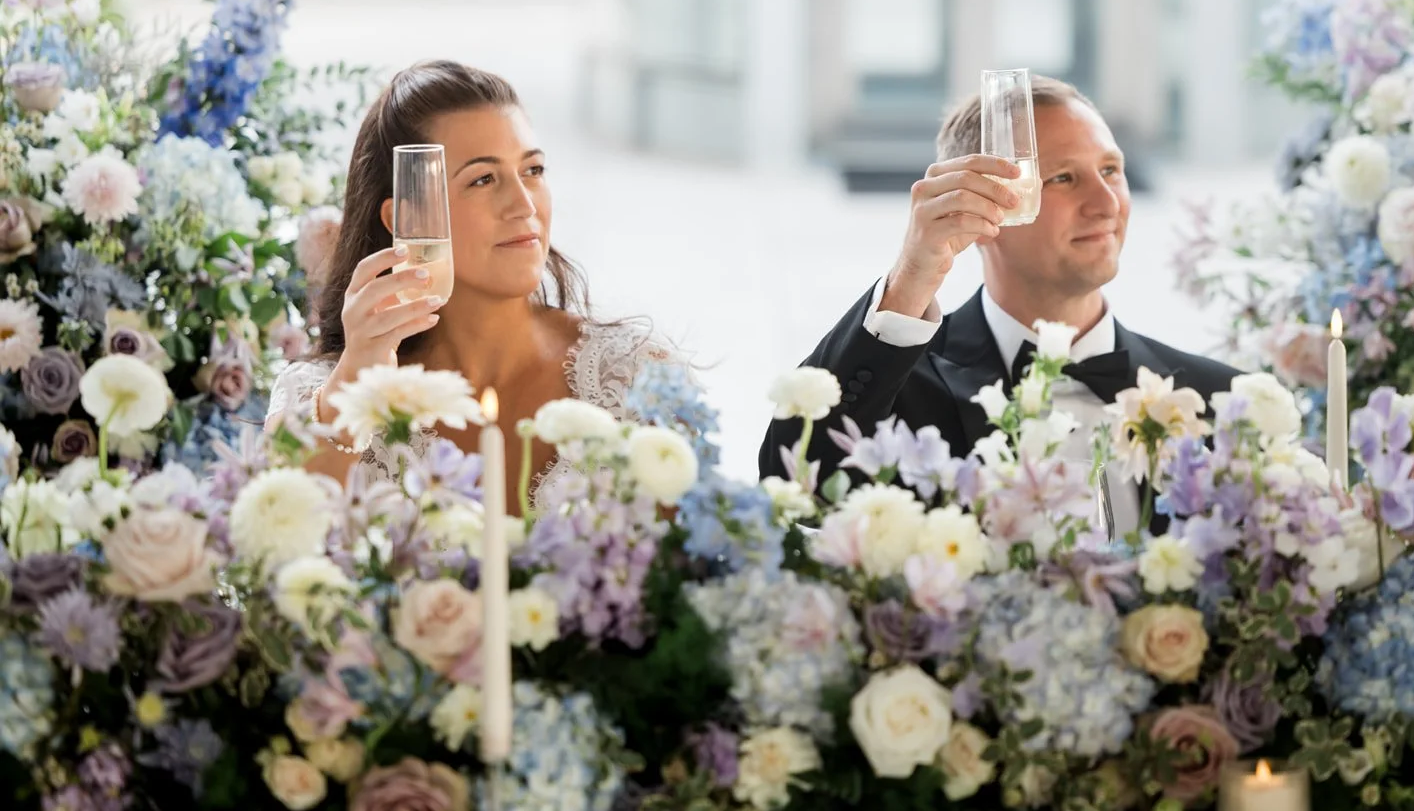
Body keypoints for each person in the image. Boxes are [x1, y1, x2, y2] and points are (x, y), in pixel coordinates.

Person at [758, 75, 1237, 535]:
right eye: (1064, 178)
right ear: (980, 204)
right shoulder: (894, 394)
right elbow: (796, 489)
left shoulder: (1222, 400)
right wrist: (910, 279)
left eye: (1111, 170)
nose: (1107, 203)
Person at [267, 61, 679, 515]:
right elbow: (276, 555)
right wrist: (354, 383)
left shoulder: (635, 378)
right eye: (483, 179)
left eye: (534, 170)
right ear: (406, 219)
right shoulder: (316, 399)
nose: (524, 205)